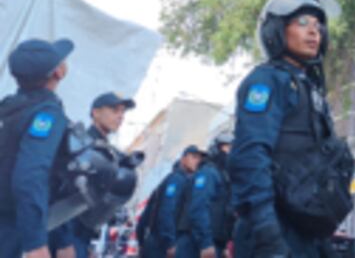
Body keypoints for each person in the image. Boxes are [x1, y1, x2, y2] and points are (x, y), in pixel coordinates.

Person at [228, 0, 353, 258]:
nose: (313, 32)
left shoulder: (310, 89)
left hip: (306, 230)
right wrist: (265, 228)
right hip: (273, 227)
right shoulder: (267, 81)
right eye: (302, 23)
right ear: (276, 30)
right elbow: (250, 155)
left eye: (318, 26)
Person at [0, 38, 75, 258]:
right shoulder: (46, 114)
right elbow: (30, 176)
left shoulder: (9, 109)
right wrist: (35, 243)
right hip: (11, 228)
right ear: (58, 72)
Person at [69, 92, 137, 258]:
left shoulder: (108, 152)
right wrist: (65, 242)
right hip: (67, 234)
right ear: (95, 112)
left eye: (122, 112)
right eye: (115, 110)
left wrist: (89, 245)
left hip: (84, 235)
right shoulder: (80, 144)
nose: (120, 116)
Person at [137, 146, 204, 258]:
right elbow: (167, 211)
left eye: (199, 159)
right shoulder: (176, 180)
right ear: (183, 159)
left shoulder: (180, 180)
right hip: (160, 245)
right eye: (194, 157)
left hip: (158, 242)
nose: (197, 161)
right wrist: (170, 243)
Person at [176, 133, 234, 258]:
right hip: (196, 244)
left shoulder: (224, 177)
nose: (230, 153)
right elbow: (198, 208)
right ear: (216, 149)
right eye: (227, 148)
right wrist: (205, 243)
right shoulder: (208, 173)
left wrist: (223, 246)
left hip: (213, 244)